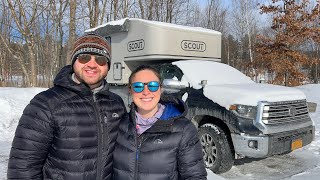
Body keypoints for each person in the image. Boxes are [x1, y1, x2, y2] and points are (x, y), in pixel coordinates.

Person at [7, 33, 127, 179]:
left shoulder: (116, 103)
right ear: (74, 62)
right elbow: (22, 168)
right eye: (84, 58)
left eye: (101, 60)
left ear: (107, 66)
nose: (92, 64)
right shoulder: (46, 103)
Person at [113, 65, 207, 180]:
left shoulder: (183, 129)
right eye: (138, 86)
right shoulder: (120, 124)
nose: (146, 92)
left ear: (160, 89)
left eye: (153, 86)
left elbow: (195, 176)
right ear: (130, 90)